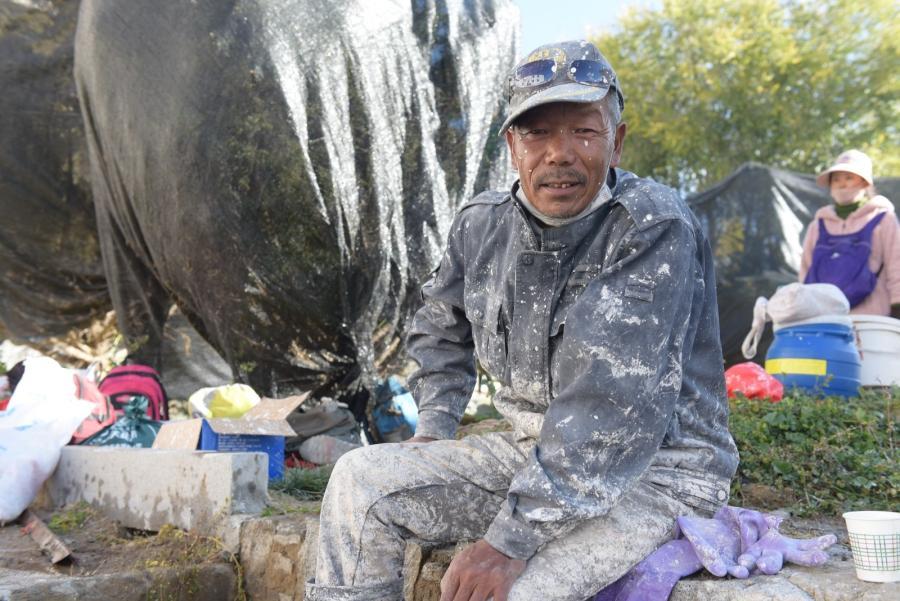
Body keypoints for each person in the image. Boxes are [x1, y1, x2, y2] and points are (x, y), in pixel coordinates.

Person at [305, 40, 738, 601]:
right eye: (537, 133)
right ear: (512, 144)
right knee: (360, 479)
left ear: (617, 143)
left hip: (654, 472)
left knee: (515, 593)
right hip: (529, 456)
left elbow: (603, 406)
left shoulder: (651, 228)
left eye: (583, 130)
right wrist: (436, 423)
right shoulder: (481, 224)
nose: (559, 153)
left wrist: (507, 545)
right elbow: (440, 328)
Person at [799, 149, 900, 318]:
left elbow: (896, 264)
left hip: (872, 319)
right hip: (825, 320)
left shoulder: (884, 219)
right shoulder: (817, 226)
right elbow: (805, 271)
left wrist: (897, 305)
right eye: (836, 179)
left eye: (849, 178)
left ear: (864, 183)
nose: (842, 184)